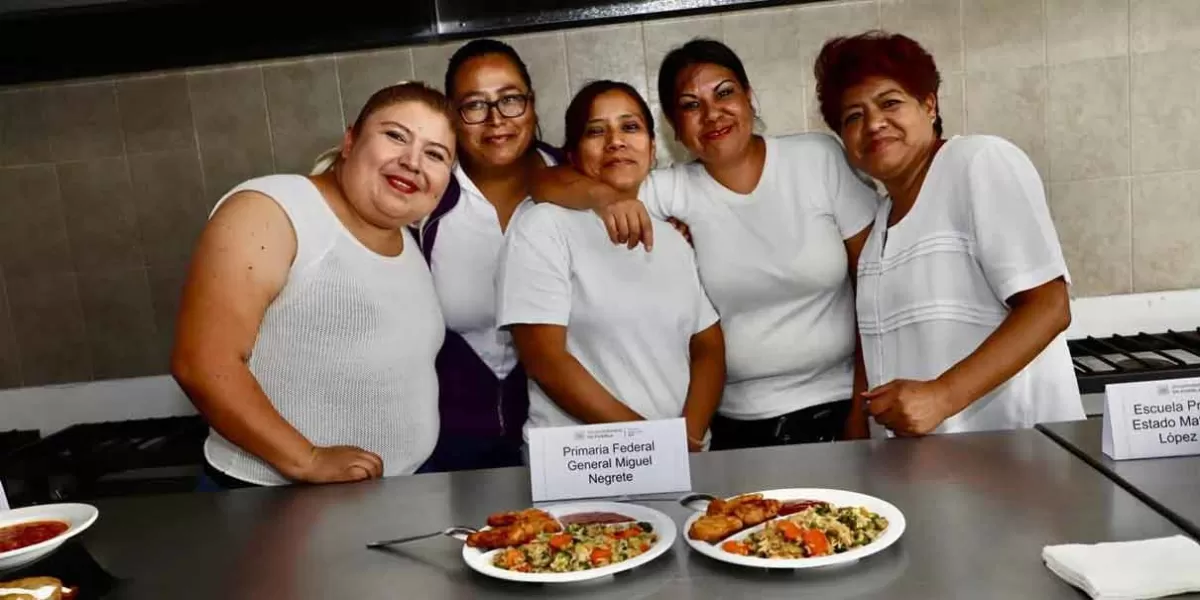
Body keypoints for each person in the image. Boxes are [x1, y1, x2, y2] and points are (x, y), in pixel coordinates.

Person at [530, 39, 880, 449]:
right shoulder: (669, 191)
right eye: (691, 105)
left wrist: (861, 408)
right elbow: (540, 182)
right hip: (735, 422)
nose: (713, 114)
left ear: (750, 98)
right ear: (675, 129)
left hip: (839, 405)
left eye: (725, 93)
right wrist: (604, 197)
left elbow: (875, 285)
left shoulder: (818, 159)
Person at [172, 82, 457, 487]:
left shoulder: (408, 241)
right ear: (350, 140)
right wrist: (305, 458)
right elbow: (201, 363)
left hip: (400, 492)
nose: (412, 162)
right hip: (275, 500)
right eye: (395, 136)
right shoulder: (273, 208)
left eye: (435, 154)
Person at [813, 31, 1085, 435]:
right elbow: (875, 361)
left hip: (1020, 460)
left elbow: (1049, 306)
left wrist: (941, 396)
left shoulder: (977, 162)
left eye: (889, 102)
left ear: (929, 104)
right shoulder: (880, 228)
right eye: (853, 117)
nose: (873, 124)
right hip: (936, 473)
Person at [497, 80, 726, 451]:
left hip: (678, 459)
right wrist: (651, 443)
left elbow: (707, 343)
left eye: (630, 127)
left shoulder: (669, 237)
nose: (615, 141)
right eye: (596, 131)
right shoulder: (542, 226)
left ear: (652, 150)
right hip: (586, 464)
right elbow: (545, 360)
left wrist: (691, 436)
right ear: (572, 155)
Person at [411, 39, 565, 473]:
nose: (496, 119)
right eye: (475, 105)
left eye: (510, 99)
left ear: (532, 104)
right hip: (445, 448)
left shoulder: (575, 180)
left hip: (567, 440)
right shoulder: (423, 198)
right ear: (451, 116)